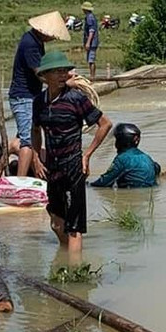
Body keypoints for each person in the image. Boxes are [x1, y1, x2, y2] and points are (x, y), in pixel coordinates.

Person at [31, 50, 113, 260]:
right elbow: (35, 130)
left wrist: (87, 155)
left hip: (73, 166)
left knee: (74, 226)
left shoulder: (76, 98)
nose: (63, 75)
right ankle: (66, 258)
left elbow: (105, 124)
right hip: (52, 167)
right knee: (56, 222)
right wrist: (36, 158)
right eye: (57, 72)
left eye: (65, 71)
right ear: (45, 76)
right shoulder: (39, 102)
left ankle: (74, 270)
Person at [9, 13, 65, 176]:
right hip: (23, 97)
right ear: (44, 31)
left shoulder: (35, 40)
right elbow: (40, 74)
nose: (53, 38)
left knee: (29, 134)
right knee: (27, 141)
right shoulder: (31, 44)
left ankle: (17, 170)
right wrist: (63, 83)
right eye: (52, 35)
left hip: (31, 95)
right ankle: (20, 180)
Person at [90, 122, 160, 188]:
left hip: (132, 193)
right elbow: (157, 167)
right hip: (150, 193)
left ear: (120, 141)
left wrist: (88, 185)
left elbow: (104, 182)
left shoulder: (121, 159)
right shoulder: (147, 157)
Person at [81, 1, 100, 80]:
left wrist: (88, 42)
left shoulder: (89, 17)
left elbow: (91, 31)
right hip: (93, 42)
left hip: (92, 42)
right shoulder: (90, 16)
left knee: (91, 60)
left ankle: (92, 77)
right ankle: (92, 76)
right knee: (90, 60)